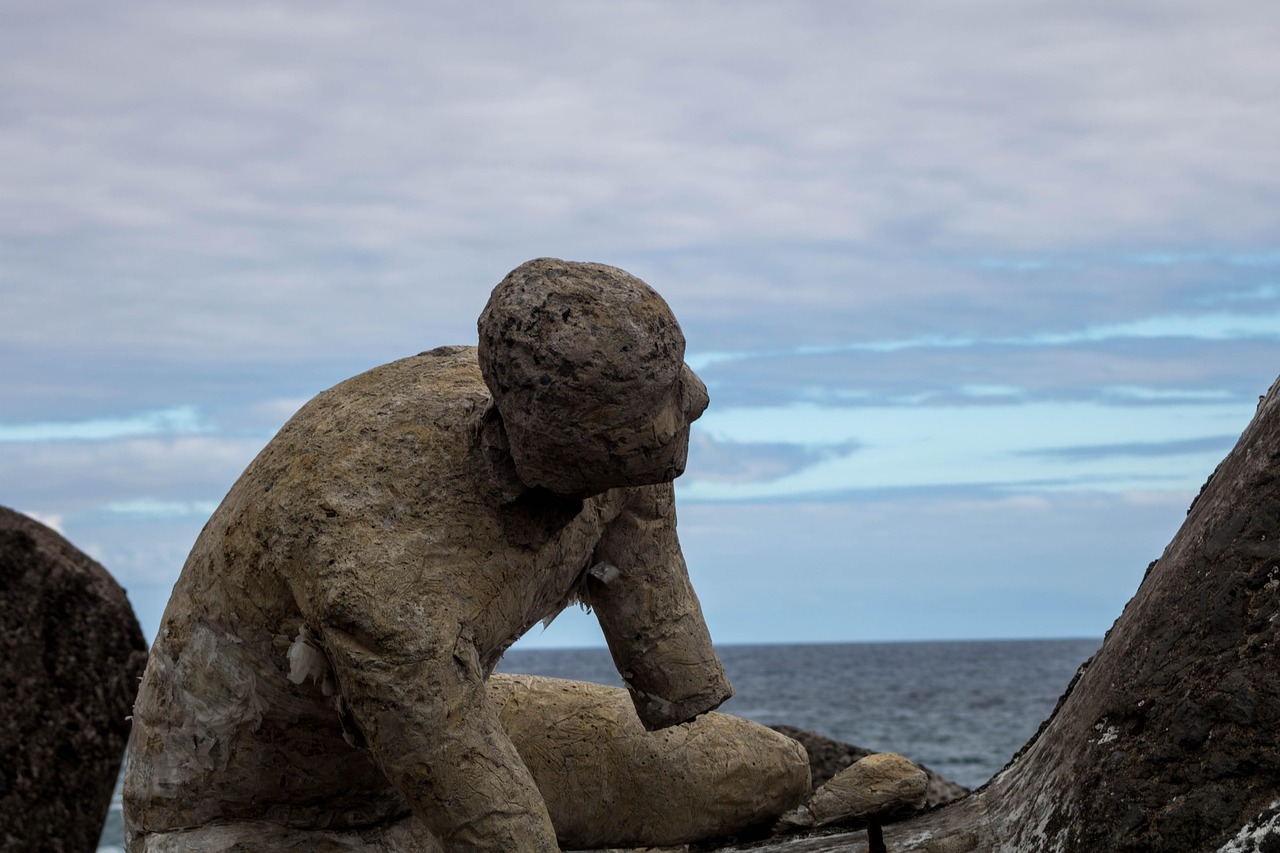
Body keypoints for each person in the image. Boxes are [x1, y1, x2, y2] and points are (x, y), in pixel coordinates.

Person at [123, 259, 802, 852]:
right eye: (657, 396)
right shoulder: (372, 551)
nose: (696, 397)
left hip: (424, 748)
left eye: (674, 370)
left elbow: (672, 676)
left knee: (768, 769)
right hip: (257, 819)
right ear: (567, 434)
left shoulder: (611, 458)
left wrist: (676, 692)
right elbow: (492, 823)